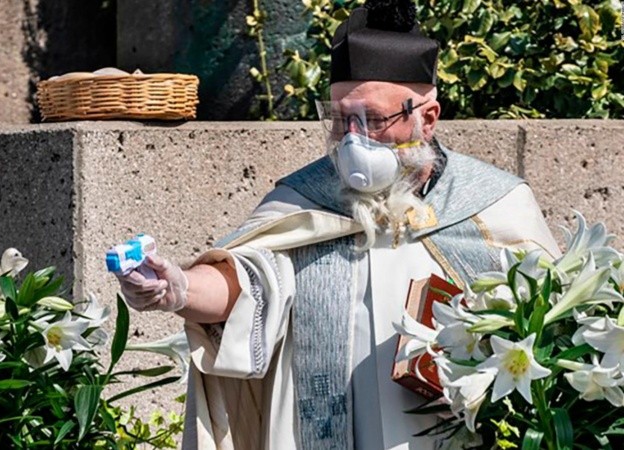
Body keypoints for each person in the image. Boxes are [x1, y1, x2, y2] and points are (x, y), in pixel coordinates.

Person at [114, 1, 560, 449]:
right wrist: (180, 290)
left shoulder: (494, 203)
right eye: (341, 118)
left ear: (426, 118)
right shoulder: (304, 199)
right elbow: (249, 282)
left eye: (373, 119)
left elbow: (552, 323)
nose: (352, 137)